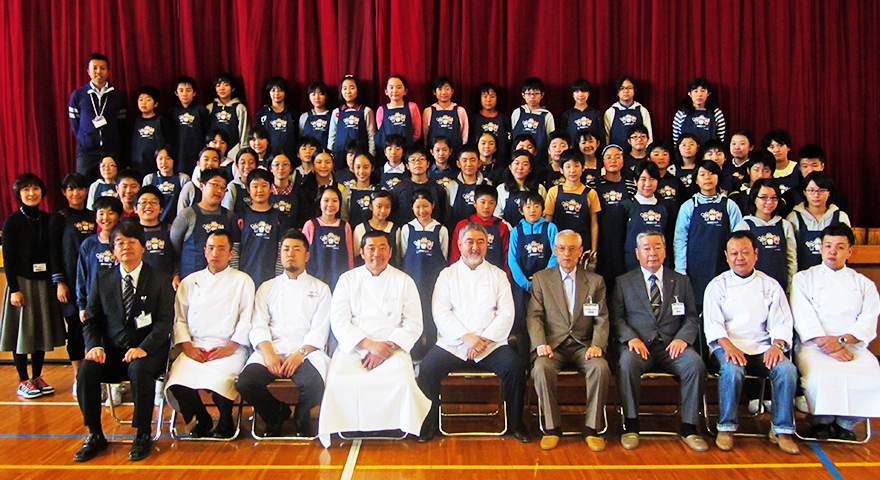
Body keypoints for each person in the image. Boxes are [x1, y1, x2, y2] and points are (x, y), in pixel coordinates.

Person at [417, 222, 530, 444]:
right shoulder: (447, 275)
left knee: (515, 368)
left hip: (491, 345)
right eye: (469, 242)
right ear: (459, 244)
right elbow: (440, 312)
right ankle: (429, 423)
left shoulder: (498, 275)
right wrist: (466, 337)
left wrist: (483, 340)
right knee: (427, 368)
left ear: (487, 245)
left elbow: (506, 313)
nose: (475, 247)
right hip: (454, 343)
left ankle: (516, 423)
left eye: (480, 242)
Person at [73, 222, 174, 462]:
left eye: (131, 242)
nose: (125, 247)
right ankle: (95, 434)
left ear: (143, 247)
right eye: (119, 243)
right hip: (112, 351)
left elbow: (164, 323)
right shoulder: (102, 279)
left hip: (148, 351)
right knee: (86, 371)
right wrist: (95, 346)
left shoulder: (160, 279)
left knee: (139, 370)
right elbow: (91, 320)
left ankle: (142, 434)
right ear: (113, 250)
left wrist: (143, 348)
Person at [317, 231, 429, 446]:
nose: (376, 253)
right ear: (362, 252)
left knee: (403, 382)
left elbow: (414, 323)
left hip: (392, 348)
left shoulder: (404, 281)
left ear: (390, 252)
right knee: (338, 382)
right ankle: (347, 425)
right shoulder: (347, 280)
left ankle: (394, 425)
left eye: (382, 248)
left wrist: (385, 349)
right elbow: (339, 321)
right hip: (354, 347)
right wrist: (369, 345)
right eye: (371, 248)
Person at [610, 231, 707, 452]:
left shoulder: (681, 281)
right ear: (637, 253)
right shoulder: (624, 282)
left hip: (672, 346)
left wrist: (682, 338)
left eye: (657, 247)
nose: (652, 253)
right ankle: (631, 425)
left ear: (664, 252)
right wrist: (631, 338)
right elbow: (616, 318)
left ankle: (689, 427)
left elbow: (692, 317)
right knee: (627, 363)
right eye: (646, 248)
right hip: (639, 346)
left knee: (695, 364)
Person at [703, 231, 799, 454]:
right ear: (726, 256)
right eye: (734, 253)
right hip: (727, 346)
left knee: (786, 370)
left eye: (745, 252)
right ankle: (726, 428)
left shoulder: (770, 285)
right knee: (732, 369)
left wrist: (777, 346)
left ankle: (782, 430)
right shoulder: (717, 285)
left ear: (756, 254)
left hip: (763, 347)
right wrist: (729, 346)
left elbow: (782, 322)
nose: (739, 258)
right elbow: (713, 324)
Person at [236, 229, 331, 437]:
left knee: (314, 385)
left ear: (306, 255)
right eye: (286, 249)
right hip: (272, 348)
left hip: (306, 351)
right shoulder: (267, 287)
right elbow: (258, 324)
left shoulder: (321, 289)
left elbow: (320, 329)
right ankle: (276, 414)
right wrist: (269, 353)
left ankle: (301, 420)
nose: (290, 254)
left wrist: (300, 354)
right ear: (280, 254)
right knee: (246, 383)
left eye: (296, 249)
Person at [791, 223, 880, 440]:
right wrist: (827, 344)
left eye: (840, 247)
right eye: (828, 245)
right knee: (819, 377)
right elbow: (803, 317)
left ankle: (846, 423)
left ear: (850, 252)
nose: (833, 251)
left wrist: (841, 341)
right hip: (814, 346)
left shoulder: (864, 284)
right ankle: (820, 421)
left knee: (869, 374)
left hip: (852, 346)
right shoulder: (803, 279)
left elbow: (868, 319)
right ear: (820, 248)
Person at [166, 230, 254, 439]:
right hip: (195, 346)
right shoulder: (189, 282)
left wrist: (230, 347)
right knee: (176, 383)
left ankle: (226, 420)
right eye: (211, 248)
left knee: (222, 379)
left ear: (231, 253)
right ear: (205, 251)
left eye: (221, 249)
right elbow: (179, 319)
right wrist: (188, 347)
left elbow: (247, 318)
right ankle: (202, 418)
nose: (215, 253)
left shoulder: (243, 281)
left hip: (229, 347)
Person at [527, 230, 610, 451]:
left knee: (600, 368)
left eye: (572, 249)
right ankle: (552, 428)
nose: (567, 253)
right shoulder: (541, 279)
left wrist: (597, 344)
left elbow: (602, 318)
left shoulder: (595, 281)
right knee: (541, 369)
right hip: (553, 346)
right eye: (562, 248)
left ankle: (592, 429)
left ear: (580, 251)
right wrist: (540, 343)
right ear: (555, 251)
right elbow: (534, 316)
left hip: (584, 346)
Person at [1, 173, 65, 398]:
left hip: (44, 283)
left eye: (35, 188)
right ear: (19, 194)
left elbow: (55, 251)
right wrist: (14, 289)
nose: (31, 193)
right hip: (22, 284)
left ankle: (36, 376)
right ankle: (22, 380)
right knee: (21, 332)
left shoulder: (48, 219)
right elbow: (8, 258)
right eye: (26, 189)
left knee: (40, 332)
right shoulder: (12, 221)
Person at [49, 173, 96, 395]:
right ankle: (78, 377)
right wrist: (59, 282)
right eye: (71, 189)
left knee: (94, 330)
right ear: (64, 193)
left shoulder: (94, 216)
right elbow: (54, 252)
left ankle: (94, 376)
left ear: (86, 191)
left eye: (80, 188)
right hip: (69, 282)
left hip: (93, 281)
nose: (76, 193)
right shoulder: (59, 218)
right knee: (75, 331)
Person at [673, 160, 743, 309]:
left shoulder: (729, 205)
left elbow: (739, 239)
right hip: (695, 268)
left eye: (712, 173)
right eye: (702, 174)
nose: (707, 177)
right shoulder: (688, 207)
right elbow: (680, 240)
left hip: (723, 265)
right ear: (696, 180)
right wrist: (680, 270)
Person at [399, 189, 449, 359]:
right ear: (412, 207)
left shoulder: (441, 230)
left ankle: (432, 353)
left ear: (433, 205)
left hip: (434, 281)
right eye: (418, 206)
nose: (422, 211)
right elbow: (403, 253)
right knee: (413, 315)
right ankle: (414, 353)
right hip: (413, 280)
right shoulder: (407, 229)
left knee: (433, 315)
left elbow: (444, 255)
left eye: (425, 206)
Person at [68, 53, 126, 181]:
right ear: (88, 71)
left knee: (113, 186)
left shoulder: (117, 95)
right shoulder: (78, 95)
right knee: (83, 185)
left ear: (108, 71)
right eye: (94, 68)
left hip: (111, 151)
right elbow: (75, 123)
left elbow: (122, 123)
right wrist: (84, 139)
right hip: (87, 152)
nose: (98, 71)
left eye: (102, 68)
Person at [733, 179, 797, 293]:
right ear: (754, 198)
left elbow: (791, 259)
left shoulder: (785, 225)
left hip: (780, 286)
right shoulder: (744, 226)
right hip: (751, 288)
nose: (769, 202)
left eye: (774, 198)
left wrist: (790, 288)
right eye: (763, 197)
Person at [170, 168, 234, 279]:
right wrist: (176, 272)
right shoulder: (187, 215)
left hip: (221, 278)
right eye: (215, 185)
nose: (219, 191)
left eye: (223, 188)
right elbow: (174, 246)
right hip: (192, 276)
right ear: (202, 186)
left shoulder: (230, 216)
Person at [786, 171, 851, 271]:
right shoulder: (793, 218)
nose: (816, 195)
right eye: (811, 190)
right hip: (803, 275)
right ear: (804, 192)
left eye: (821, 190)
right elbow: (791, 254)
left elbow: (846, 249)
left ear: (829, 192)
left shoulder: (840, 217)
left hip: (833, 274)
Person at [166, 76, 212, 177]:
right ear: (176, 93)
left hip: (197, 152)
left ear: (194, 93)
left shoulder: (201, 111)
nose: (184, 94)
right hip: (179, 152)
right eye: (181, 90)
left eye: (188, 90)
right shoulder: (172, 112)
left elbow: (207, 132)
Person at [329, 75, 377, 163]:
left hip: (360, 155)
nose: (348, 91)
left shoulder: (366, 111)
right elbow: (332, 136)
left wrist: (371, 155)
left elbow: (371, 136)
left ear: (358, 90)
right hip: (339, 154)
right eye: (345, 88)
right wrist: (330, 156)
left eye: (352, 88)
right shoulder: (336, 112)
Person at [142, 145, 191, 224]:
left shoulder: (183, 179)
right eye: (160, 158)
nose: (164, 162)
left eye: (168, 158)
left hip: (177, 223)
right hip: (154, 223)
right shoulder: (149, 179)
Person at [511, 78, 555, 163]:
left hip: (540, 159)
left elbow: (551, 140)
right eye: (528, 93)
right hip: (518, 160)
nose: (532, 96)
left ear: (542, 95)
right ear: (523, 95)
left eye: (536, 93)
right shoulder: (517, 112)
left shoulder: (547, 115)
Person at [671, 78, 726, 145]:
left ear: (708, 94)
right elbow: (676, 138)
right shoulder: (682, 113)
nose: (699, 94)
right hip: (688, 150)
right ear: (689, 93)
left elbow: (720, 137)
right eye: (695, 91)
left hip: (709, 150)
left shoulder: (716, 113)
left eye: (703, 91)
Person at [604, 76, 653, 151]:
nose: (626, 91)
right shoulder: (611, 112)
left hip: (638, 153)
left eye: (629, 88)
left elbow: (649, 135)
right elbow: (606, 136)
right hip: (617, 154)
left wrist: (647, 152)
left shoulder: (642, 110)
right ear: (617, 92)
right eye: (622, 88)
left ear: (634, 91)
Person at [130, 86, 170, 176]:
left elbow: (168, 143)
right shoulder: (134, 123)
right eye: (141, 100)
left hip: (157, 165)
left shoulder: (161, 121)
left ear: (156, 104)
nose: (144, 102)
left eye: (148, 100)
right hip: (137, 165)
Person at [375, 75, 421, 152]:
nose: (395, 90)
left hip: (407, 150)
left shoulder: (412, 107)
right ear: (386, 91)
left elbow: (417, 133)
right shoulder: (381, 110)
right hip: (389, 153)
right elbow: (381, 132)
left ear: (405, 91)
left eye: (399, 87)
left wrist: (405, 144)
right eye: (391, 87)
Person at [256, 77, 299, 157]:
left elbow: (298, 137)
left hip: (290, 157)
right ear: (269, 92)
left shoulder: (293, 114)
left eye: (280, 90)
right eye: (273, 90)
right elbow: (257, 136)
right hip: (267, 157)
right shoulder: (262, 113)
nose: (276, 93)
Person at [469, 83, 511, 166]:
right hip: (477, 164)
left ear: (497, 99)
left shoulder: (503, 119)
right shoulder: (473, 119)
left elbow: (508, 143)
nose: (488, 100)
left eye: (492, 96)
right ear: (480, 98)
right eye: (485, 96)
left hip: (500, 164)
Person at [422, 76, 468, 150]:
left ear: (452, 91)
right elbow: (425, 135)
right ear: (434, 92)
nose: (443, 92)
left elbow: (464, 134)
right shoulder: (428, 111)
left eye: (447, 89)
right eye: (440, 89)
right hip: (435, 153)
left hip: (456, 151)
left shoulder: (460, 110)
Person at [207, 73, 248, 151]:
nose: (222, 88)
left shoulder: (239, 108)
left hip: (234, 150)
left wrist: (243, 150)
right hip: (212, 149)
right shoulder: (210, 108)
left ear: (233, 88)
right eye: (218, 85)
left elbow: (244, 132)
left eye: (226, 85)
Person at [560, 79, 604, 143]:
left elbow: (601, 136)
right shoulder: (567, 115)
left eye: (583, 91)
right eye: (577, 91)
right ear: (573, 94)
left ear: (588, 94)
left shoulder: (596, 114)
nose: (580, 95)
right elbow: (563, 138)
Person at [300, 81, 332, 148]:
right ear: (309, 97)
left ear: (327, 96)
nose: (317, 97)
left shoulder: (333, 116)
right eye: (313, 94)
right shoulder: (304, 117)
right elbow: (301, 139)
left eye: (321, 94)